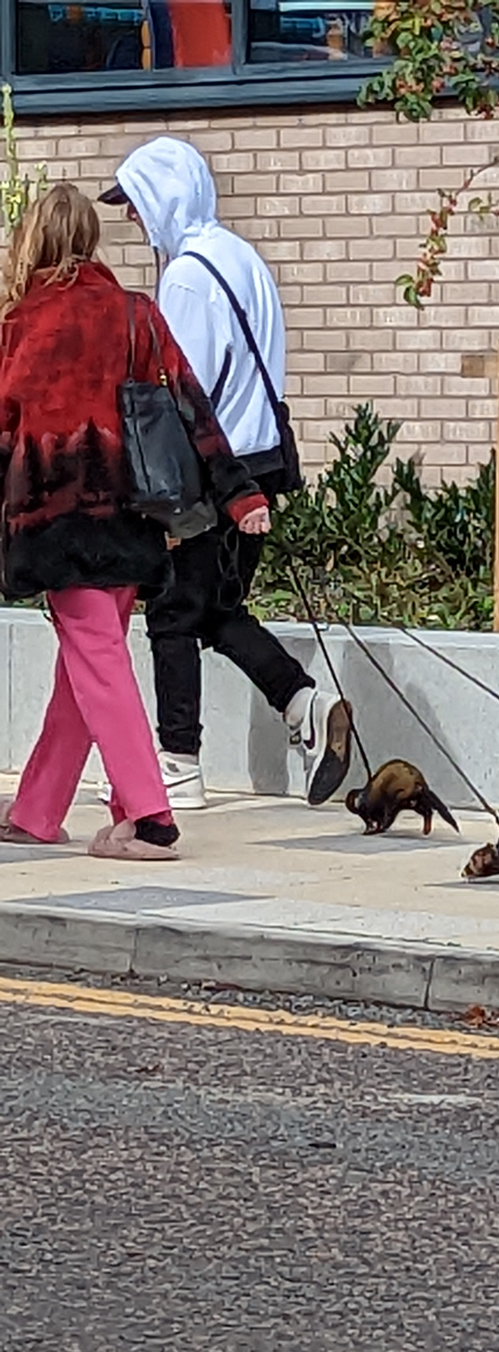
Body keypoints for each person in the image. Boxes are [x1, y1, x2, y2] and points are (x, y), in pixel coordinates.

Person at [0, 184, 270, 859]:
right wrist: (240, 494)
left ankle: (150, 816)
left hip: (58, 522)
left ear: (31, 242)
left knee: (95, 660)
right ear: (90, 240)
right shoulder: (135, 314)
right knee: (87, 664)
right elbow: (190, 405)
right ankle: (37, 809)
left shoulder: (20, 326)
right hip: (133, 514)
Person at [97, 136, 351, 811]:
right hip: (261, 463)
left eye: (134, 202)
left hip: (211, 473)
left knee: (174, 615)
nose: (131, 218)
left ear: (164, 198)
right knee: (215, 609)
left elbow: (181, 391)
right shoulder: (243, 258)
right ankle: (302, 701)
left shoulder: (185, 276)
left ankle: (178, 764)